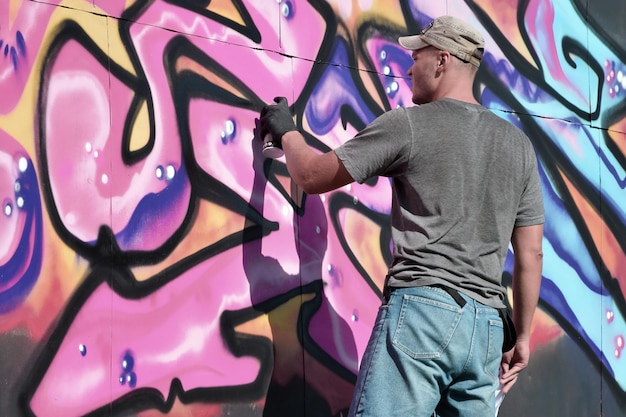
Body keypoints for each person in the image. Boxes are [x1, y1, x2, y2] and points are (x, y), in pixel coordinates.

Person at [258, 15, 544, 417]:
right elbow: (531, 254)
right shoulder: (519, 147)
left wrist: (287, 131)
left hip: (423, 313)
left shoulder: (410, 125)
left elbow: (310, 176)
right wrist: (524, 335)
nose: (409, 67)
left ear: (441, 61)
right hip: (487, 331)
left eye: (418, 56)